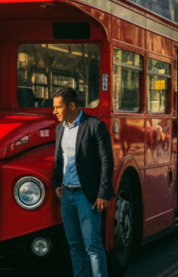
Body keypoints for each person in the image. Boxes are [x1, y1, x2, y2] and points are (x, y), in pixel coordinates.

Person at [51, 86, 114, 277]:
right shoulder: (59, 128)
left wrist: (103, 193)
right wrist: (56, 184)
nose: (54, 112)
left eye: (58, 107)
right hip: (67, 197)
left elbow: (106, 160)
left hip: (87, 197)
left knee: (93, 247)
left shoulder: (95, 126)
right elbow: (59, 160)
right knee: (75, 246)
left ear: (71, 106)